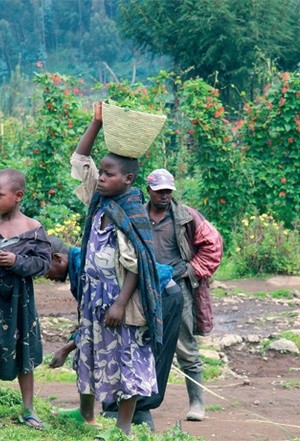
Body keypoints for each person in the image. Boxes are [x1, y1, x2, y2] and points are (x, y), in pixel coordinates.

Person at [68, 102, 162, 435]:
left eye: (109, 174)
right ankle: (86, 416)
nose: (103, 178)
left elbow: (137, 264)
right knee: (90, 352)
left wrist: (120, 303)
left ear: (128, 179)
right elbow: (80, 161)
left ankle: (123, 427)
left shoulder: (132, 211)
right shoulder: (100, 200)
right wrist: (95, 123)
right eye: (102, 173)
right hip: (94, 296)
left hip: (121, 300)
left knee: (127, 359)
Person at [45, 242, 183, 430]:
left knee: (137, 356)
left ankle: (140, 421)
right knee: (91, 350)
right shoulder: (81, 264)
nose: (45, 276)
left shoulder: (87, 263)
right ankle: (86, 414)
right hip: (132, 299)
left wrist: (67, 348)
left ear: (58, 258)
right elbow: (92, 318)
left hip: (161, 295)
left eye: (44, 270)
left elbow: (101, 314)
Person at [0, 168, 52, 430]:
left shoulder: (34, 229)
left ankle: (28, 408)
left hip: (21, 301)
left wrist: (17, 261)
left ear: (18, 196)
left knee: (24, 350)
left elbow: (44, 264)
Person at [144, 168, 223, 422]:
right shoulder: (138, 215)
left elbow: (213, 245)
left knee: (185, 347)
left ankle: (197, 403)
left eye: (168, 191)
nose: (164, 196)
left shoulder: (186, 217)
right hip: (143, 289)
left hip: (177, 290)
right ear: (150, 191)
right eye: (159, 192)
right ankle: (140, 402)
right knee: (141, 345)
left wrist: (190, 269)